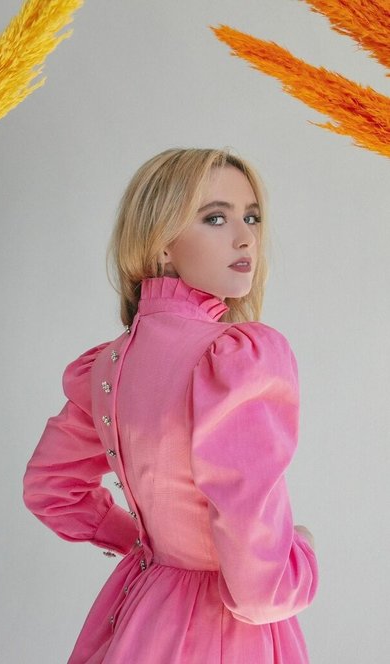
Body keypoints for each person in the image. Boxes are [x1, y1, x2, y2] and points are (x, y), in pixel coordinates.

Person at [23, 147, 319, 663]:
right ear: (161, 243)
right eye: (215, 218)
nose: (246, 237)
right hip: (226, 632)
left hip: (142, 608)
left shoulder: (109, 364)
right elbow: (260, 590)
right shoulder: (239, 359)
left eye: (251, 217)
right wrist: (304, 553)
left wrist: (150, 546)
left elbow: (52, 489)